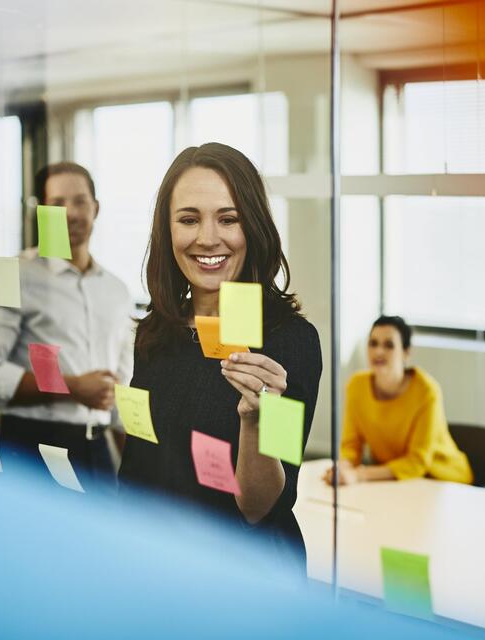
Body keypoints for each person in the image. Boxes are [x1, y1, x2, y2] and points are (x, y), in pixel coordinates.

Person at [118, 143, 321, 572]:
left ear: (255, 228)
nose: (208, 238)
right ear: (167, 230)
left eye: (228, 219)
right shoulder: (156, 332)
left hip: (243, 579)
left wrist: (256, 419)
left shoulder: (289, 343)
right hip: (158, 571)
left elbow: (262, 507)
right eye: (189, 219)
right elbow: (139, 470)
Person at [0, 162, 134, 493]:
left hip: (98, 449)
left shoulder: (117, 291)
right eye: (57, 204)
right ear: (40, 212)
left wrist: (136, 470)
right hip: (31, 446)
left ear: (95, 208)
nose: (70, 213)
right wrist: (72, 387)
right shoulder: (12, 275)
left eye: (80, 201)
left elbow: (120, 392)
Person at [325, 315, 472, 486]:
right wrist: (342, 468)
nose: (378, 351)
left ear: (406, 352)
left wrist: (359, 475)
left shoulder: (427, 391)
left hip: (443, 481)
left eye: (389, 345)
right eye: (373, 343)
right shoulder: (356, 386)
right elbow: (351, 446)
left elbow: (417, 461)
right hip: (394, 482)